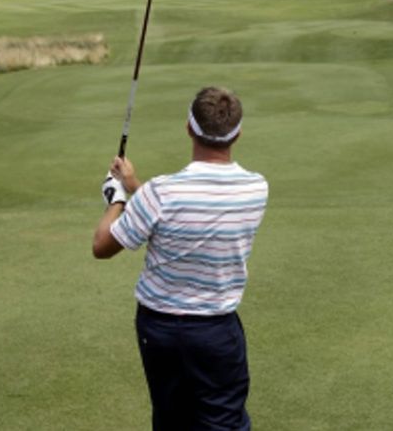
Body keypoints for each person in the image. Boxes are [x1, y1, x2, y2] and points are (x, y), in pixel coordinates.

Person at [93, 86, 269, 431]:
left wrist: (117, 197)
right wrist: (133, 184)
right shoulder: (256, 188)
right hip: (216, 332)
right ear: (239, 132)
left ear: (189, 127)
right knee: (224, 424)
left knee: (171, 422)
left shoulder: (160, 192)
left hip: (159, 331)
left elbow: (102, 245)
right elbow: (185, 208)